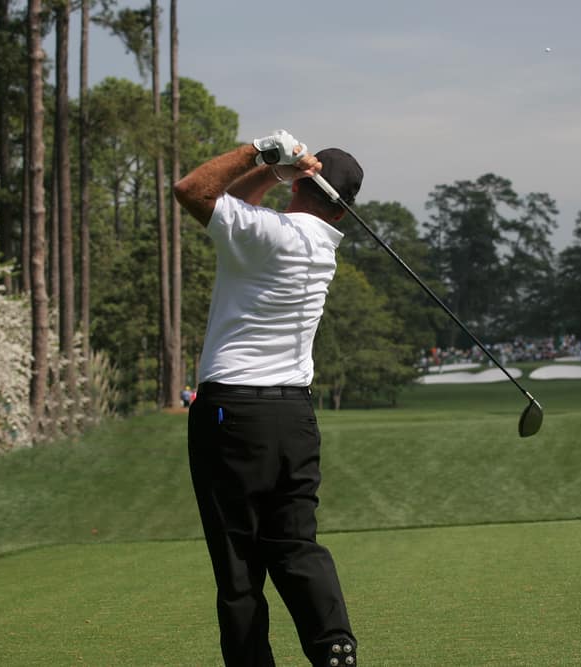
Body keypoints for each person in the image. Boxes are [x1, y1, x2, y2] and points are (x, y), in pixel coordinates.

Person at [172, 130, 360, 667]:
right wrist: (282, 171)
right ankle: (333, 645)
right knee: (296, 543)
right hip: (293, 416)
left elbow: (193, 190)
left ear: (306, 183)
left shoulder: (266, 235)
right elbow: (240, 206)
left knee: (239, 567)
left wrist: (261, 152)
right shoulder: (323, 247)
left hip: (233, 415)